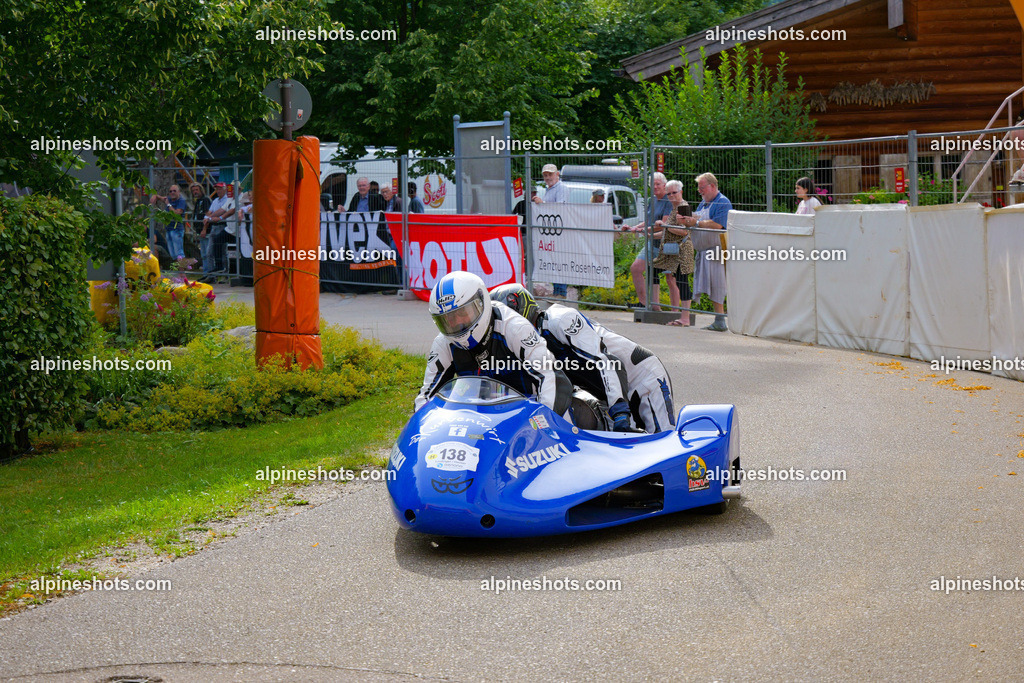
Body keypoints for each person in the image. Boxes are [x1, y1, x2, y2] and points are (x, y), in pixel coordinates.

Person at [491, 284, 676, 433]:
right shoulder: (528, 346)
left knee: (663, 447)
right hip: (609, 392)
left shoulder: (560, 319)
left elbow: (607, 362)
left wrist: (620, 413)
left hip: (642, 378)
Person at [415, 272, 571, 415]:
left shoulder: (515, 328)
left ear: (481, 302)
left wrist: (543, 420)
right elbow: (426, 396)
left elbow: (549, 376)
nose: (456, 323)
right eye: (448, 319)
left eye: (462, 313)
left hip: (527, 411)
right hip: (479, 414)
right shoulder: (444, 343)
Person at [679, 172, 732, 332]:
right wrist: (688, 220)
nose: (699, 191)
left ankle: (720, 320)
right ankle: (718, 319)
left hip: (716, 250)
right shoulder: (703, 203)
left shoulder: (722, 202)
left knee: (717, 285)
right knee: (713, 285)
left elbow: (718, 225)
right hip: (705, 251)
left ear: (712, 186)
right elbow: (699, 220)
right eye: (699, 188)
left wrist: (695, 222)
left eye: (702, 187)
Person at [629, 172, 680, 311]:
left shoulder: (668, 201)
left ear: (664, 185)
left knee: (670, 278)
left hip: (667, 245)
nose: (655, 187)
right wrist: (635, 227)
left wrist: (644, 230)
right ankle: (646, 304)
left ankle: (675, 312)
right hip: (652, 243)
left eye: (658, 184)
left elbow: (663, 225)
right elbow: (648, 221)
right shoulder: (652, 200)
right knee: (636, 268)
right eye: (653, 184)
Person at [652, 182, 695, 326]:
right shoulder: (674, 208)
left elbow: (684, 231)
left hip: (682, 251)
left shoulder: (683, 207)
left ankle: (685, 317)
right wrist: (651, 235)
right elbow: (668, 231)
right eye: (668, 193)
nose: (671, 196)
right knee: (653, 269)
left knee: (682, 282)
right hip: (673, 252)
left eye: (674, 193)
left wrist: (665, 226)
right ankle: (655, 305)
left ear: (680, 192)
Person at [532, 163, 570, 298]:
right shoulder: (550, 189)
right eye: (545, 175)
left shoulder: (561, 188)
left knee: (559, 260)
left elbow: (559, 208)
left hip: (559, 231)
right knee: (554, 260)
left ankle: (561, 292)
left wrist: (542, 204)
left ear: (557, 174)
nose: (547, 177)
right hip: (552, 231)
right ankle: (557, 292)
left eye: (550, 174)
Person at [200, 182, 235, 280]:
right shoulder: (215, 200)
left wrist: (216, 217)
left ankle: (225, 275)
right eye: (217, 189)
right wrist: (208, 218)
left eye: (220, 189)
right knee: (209, 252)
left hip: (223, 226)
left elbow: (225, 211)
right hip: (214, 226)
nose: (218, 191)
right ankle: (211, 275)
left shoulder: (228, 199)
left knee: (223, 252)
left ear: (225, 189)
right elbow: (210, 212)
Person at [150, 184, 187, 261]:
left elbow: (177, 213)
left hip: (177, 230)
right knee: (172, 254)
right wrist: (155, 196)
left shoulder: (181, 201)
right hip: (169, 229)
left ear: (178, 192)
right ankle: (176, 268)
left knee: (179, 253)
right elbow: (161, 198)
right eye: (170, 191)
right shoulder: (169, 199)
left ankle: (182, 268)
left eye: (174, 191)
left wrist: (168, 204)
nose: (172, 193)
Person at [188, 183, 211, 264]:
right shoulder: (198, 201)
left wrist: (204, 229)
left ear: (201, 190)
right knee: (203, 254)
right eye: (193, 190)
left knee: (207, 253)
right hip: (199, 230)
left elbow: (208, 215)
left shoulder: (205, 200)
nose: (195, 192)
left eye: (197, 190)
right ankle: (205, 270)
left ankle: (209, 270)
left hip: (206, 231)